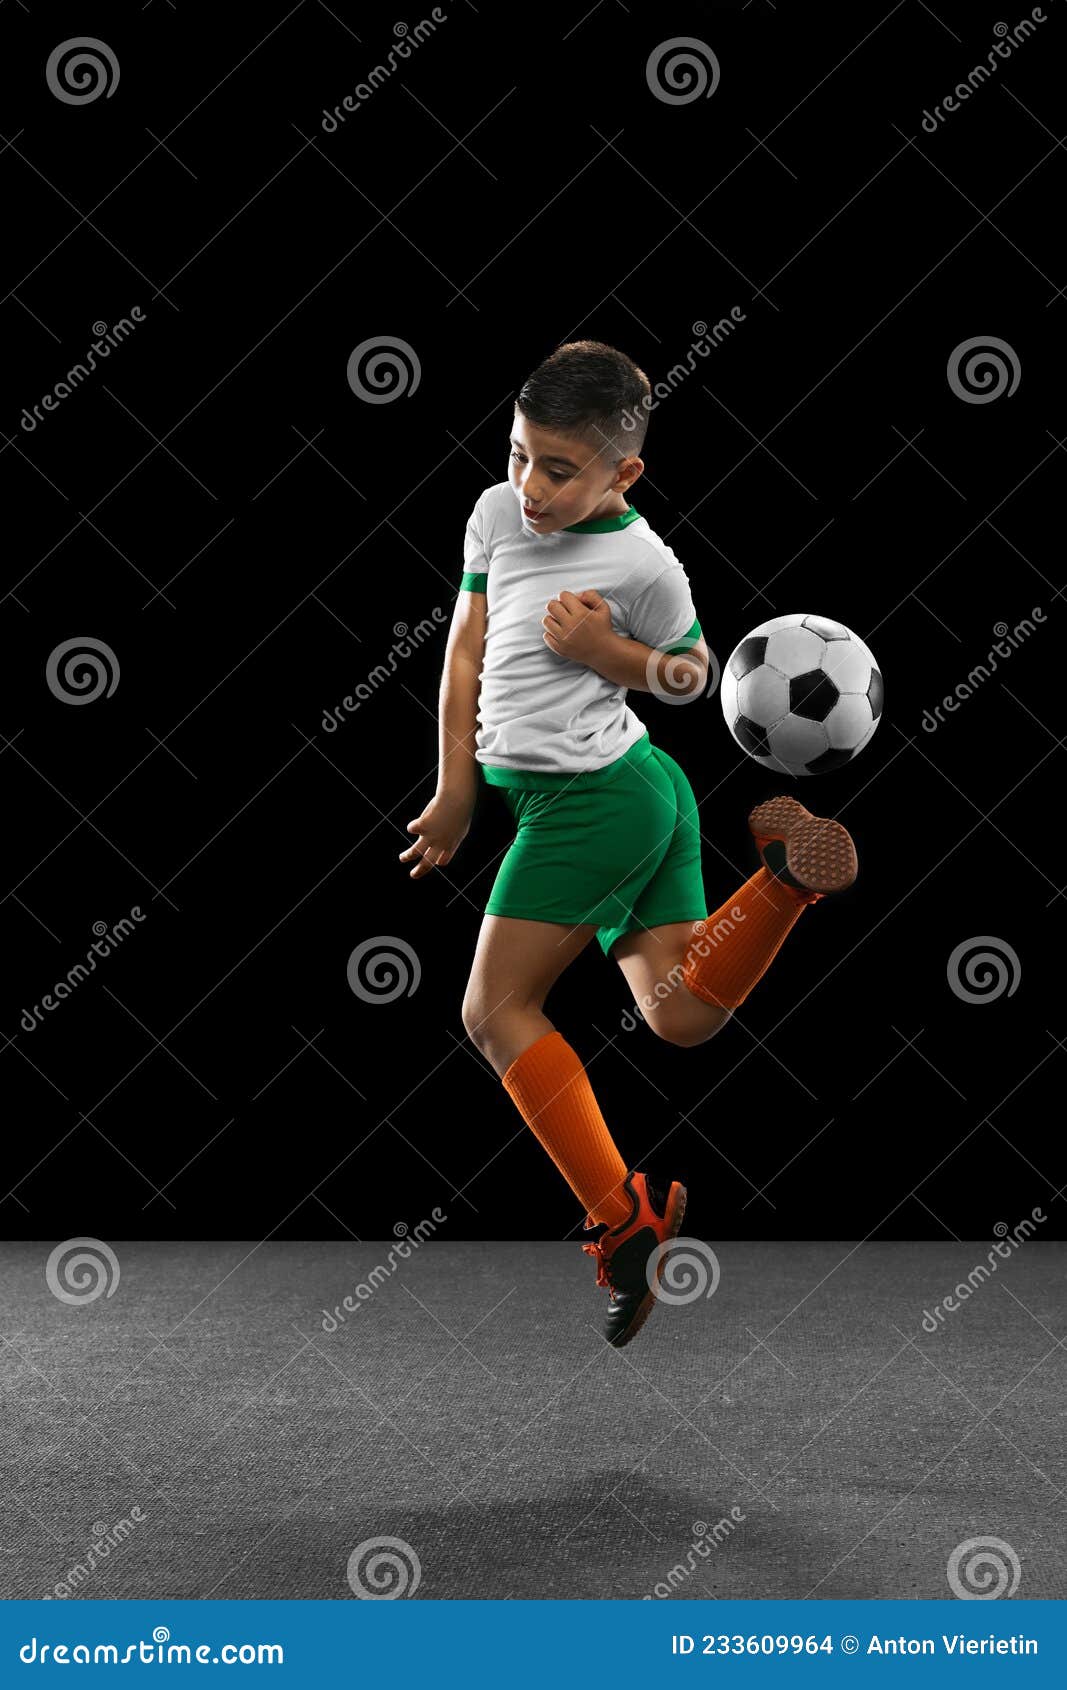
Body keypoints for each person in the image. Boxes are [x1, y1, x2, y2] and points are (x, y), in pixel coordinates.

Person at [400, 340, 857, 1348]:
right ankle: (780, 884)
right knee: (680, 1014)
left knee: (493, 1008)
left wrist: (604, 652)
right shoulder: (492, 516)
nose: (530, 485)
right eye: (518, 454)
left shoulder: (643, 561)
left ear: (623, 473)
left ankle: (621, 1220)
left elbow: (697, 678)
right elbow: (464, 649)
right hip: (625, 794)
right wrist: (452, 789)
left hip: (594, 803)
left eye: (558, 469)